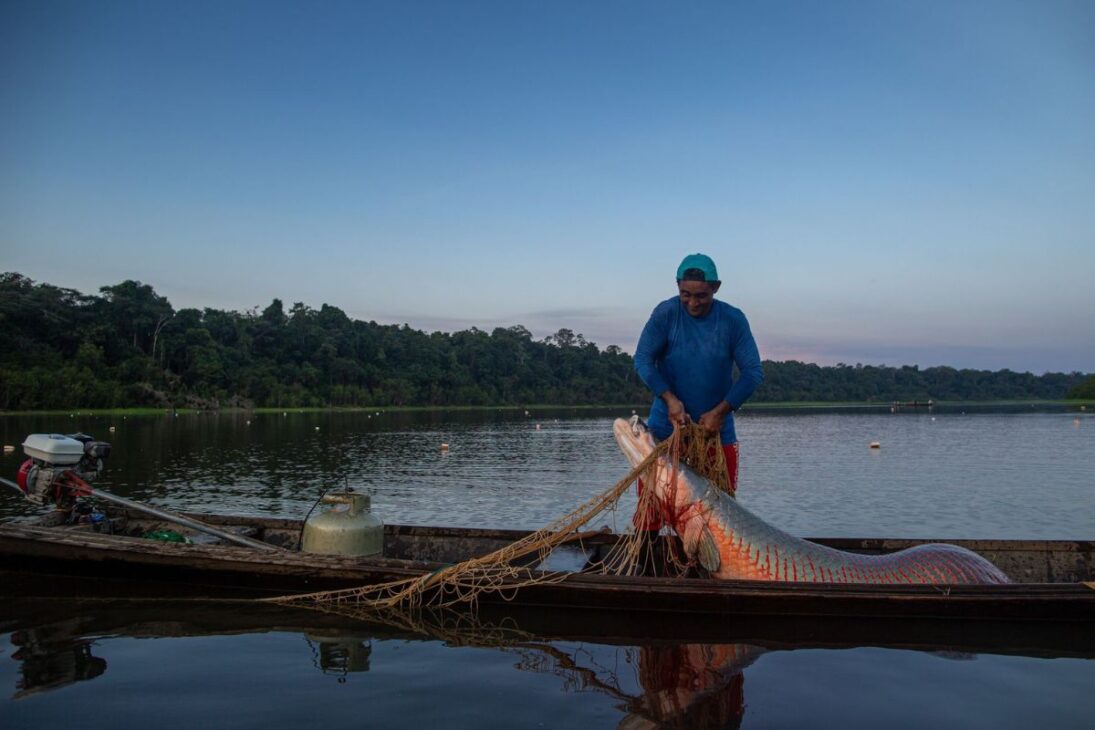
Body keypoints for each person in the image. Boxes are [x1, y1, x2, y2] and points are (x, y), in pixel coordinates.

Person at [633, 253, 763, 529]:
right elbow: (642, 359)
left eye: (701, 296)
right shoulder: (666, 314)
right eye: (685, 294)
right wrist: (669, 399)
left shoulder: (732, 320)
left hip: (715, 432)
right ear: (677, 286)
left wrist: (720, 412)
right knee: (650, 511)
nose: (692, 303)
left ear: (716, 288)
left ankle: (705, 570)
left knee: (718, 516)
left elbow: (753, 373)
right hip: (666, 430)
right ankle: (645, 567)